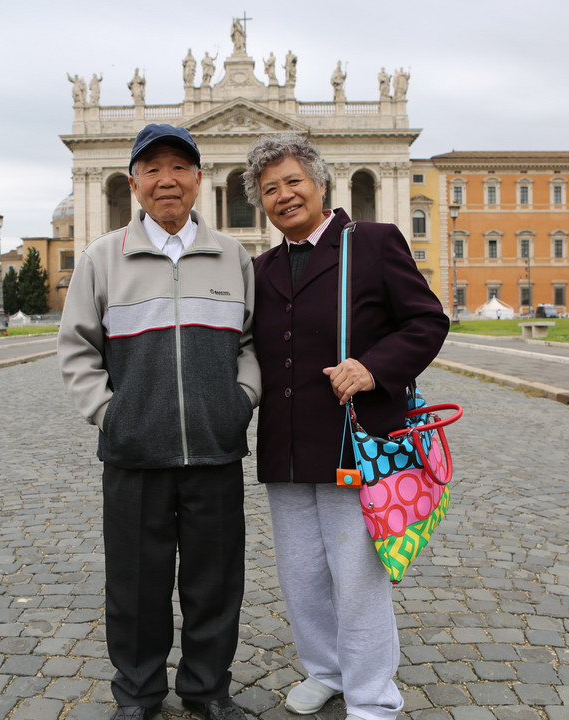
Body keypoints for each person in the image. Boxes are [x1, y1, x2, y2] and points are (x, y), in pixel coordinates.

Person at [242, 133, 449, 720]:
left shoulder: (374, 243)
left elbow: (426, 321)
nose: (283, 196)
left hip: (353, 438)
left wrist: (373, 366)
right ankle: (326, 670)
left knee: (356, 577)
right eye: (269, 189)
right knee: (302, 575)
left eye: (292, 182)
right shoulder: (262, 266)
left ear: (319, 184)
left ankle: (372, 695)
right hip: (284, 443)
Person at [59, 124, 259, 720]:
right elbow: (77, 349)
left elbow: (251, 343)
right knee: (136, 585)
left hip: (214, 449)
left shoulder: (233, 255)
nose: (166, 180)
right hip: (133, 452)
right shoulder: (102, 258)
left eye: (179, 167)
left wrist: (239, 400)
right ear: (134, 183)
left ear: (199, 178)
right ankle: (140, 693)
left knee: (215, 583)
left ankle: (206, 690)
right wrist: (110, 414)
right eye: (152, 169)